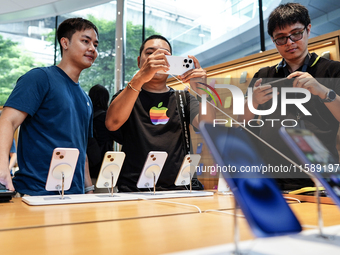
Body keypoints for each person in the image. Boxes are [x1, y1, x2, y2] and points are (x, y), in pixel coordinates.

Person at [240, 3, 340, 190]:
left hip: (323, 176)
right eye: (281, 38)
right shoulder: (264, 75)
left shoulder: (332, 70)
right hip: (273, 176)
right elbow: (242, 121)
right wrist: (252, 102)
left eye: (296, 34)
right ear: (273, 40)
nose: (290, 42)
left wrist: (323, 91)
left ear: (308, 29)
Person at [0, 17, 99, 195]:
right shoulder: (40, 78)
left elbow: (80, 149)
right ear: (65, 43)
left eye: (95, 44)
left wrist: (88, 189)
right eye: (85, 41)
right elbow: (7, 121)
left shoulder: (86, 99)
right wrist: (2, 169)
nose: (92, 48)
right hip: (36, 193)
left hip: (74, 197)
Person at [106, 35, 214, 192]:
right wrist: (140, 78)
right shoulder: (127, 96)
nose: (157, 58)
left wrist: (203, 90)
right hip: (133, 190)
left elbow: (208, 126)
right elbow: (112, 123)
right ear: (139, 61)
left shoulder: (184, 98)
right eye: (150, 53)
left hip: (180, 189)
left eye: (165, 55)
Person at [87, 84, 121, 180]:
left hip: (87, 160)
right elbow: (119, 137)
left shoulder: (86, 115)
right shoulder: (106, 117)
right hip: (103, 160)